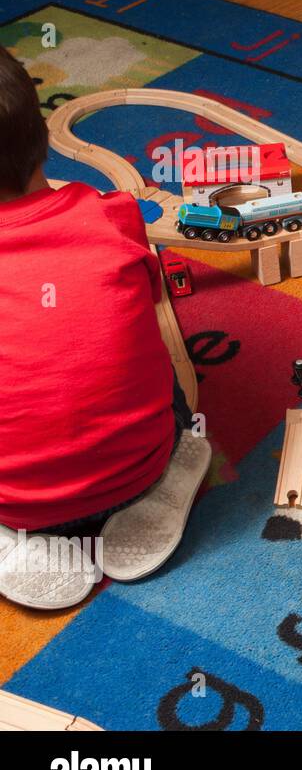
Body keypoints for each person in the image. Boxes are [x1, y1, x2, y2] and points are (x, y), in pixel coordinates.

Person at [0, 46, 210, 609]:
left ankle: (18, 540)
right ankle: (168, 477)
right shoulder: (110, 214)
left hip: (16, 502)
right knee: (148, 342)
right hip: (135, 468)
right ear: (40, 133)